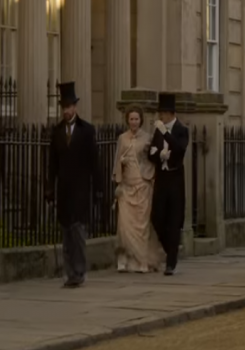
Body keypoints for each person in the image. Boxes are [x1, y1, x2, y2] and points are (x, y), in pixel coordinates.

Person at [45, 82, 101, 288]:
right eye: (64, 107)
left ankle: (79, 271)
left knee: (78, 231)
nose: (67, 111)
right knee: (66, 231)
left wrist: (98, 189)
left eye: (70, 107)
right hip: (64, 190)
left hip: (81, 188)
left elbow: (95, 162)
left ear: (75, 107)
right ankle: (70, 273)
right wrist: (50, 187)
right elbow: (52, 163)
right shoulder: (57, 131)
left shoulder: (87, 131)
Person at [112, 106, 165, 273]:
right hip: (127, 186)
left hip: (142, 186)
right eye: (131, 119)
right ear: (127, 120)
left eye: (136, 119)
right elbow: (116, 163)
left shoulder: (147, 138)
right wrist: (118, 177)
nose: (134, 122)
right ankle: (125, 258)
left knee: (141, 227)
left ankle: (143, 260)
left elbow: (152, 160)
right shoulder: (122, 138)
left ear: (140, 120)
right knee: (125, 226)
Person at [148, 93, 190, 276]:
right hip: (162, 178)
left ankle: (171, 262)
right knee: (157, 217)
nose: (161, 117)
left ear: (171, 114)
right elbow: (151, 154)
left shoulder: (181, 129)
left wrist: (166, 133)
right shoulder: (158, 130)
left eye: (163, 114)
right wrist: (158, 155)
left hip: (175, 179)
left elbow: (180, 149)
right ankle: (170, 248)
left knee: (174, 220)